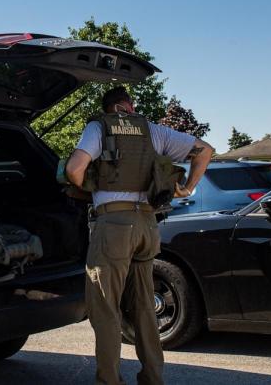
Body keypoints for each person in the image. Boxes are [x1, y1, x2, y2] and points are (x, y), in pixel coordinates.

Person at [65, 87, 213, 385]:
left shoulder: (99, 127)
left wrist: (88, 186)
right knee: (145, 305)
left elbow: (74, 169)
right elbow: (205, 151)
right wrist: (186, 188)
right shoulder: (153, 131)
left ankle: (110, 380)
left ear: (109, 109)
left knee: (105, 307)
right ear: (128, 106)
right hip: (147, 225)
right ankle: (152, 378)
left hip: (113, 227)